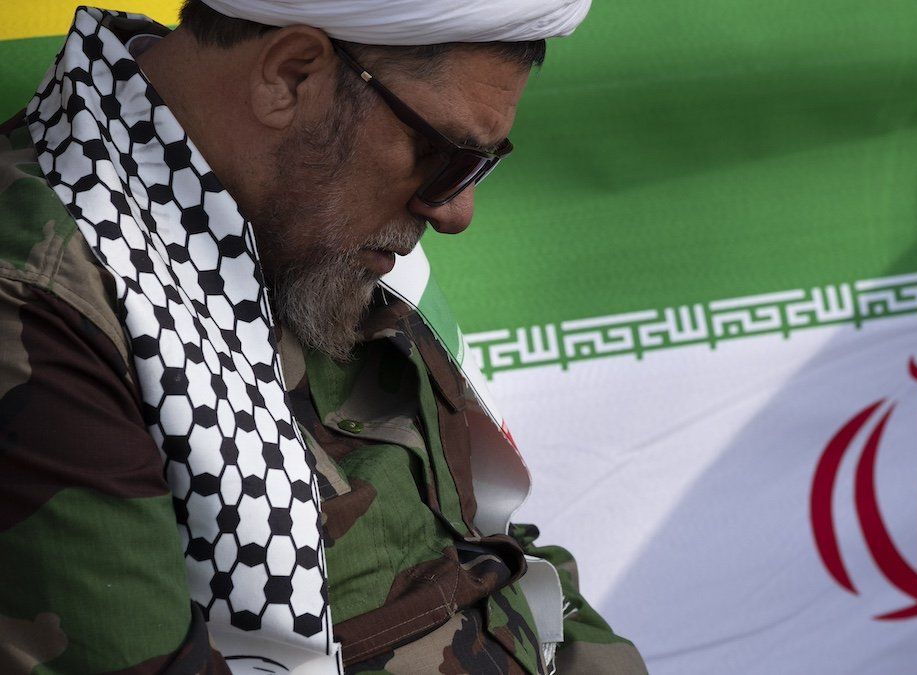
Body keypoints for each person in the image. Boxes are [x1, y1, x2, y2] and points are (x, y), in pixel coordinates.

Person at [0, 1, 647, 673]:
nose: (455, 211)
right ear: (290, 76)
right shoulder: (43, 301)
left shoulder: (303, 221)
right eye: (444, 154)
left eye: (478, 166)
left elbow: (488, 550)